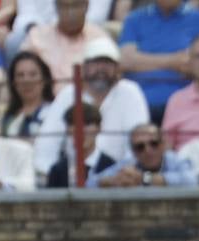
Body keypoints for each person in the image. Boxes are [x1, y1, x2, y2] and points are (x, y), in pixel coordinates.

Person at [32, 36, 150, 179]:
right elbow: (47, 143)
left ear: (117, 68)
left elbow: (138, 142)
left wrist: (118, 176)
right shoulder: (68, 94)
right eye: (95, 63)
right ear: (83, 68)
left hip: (120, 181)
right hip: (72, 178)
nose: (101, 69)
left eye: (107, 63)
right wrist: (50, 176)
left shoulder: (130, 92)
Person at [117, 0, 199, 122]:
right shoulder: (134, 20)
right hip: (141, 103)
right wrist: (174, 60)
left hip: (191, 104)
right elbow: (126, 61)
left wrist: (141, 60)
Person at [88, 121, 198, 186]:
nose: (148, 150)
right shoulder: (129, 162)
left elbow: (191, 181)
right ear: (133, 151)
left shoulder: (174, 160)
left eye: (154, 144)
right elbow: (90, 184)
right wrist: (114, 181)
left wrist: (144, 179)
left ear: (163, 145)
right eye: (140, 147)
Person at [22, 0, 106, 84]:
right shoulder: (36, 38)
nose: (70, 13)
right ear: (56, 7)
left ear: (86, 6)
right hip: (48, 95)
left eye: (75, 6)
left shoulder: (100, 40)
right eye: (64, 7)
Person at [44, 101, 114, 186]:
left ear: (99, 128)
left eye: (87, 124)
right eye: (75, 124)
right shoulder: (58, 170)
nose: (82, 131)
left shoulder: (111, 166)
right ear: (67, 130)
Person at [0, 51, 55, 139]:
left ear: (44, 80)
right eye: (20, 75)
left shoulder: (54, 113)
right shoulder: (7, 118)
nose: (26, 81)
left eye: (33, 75)